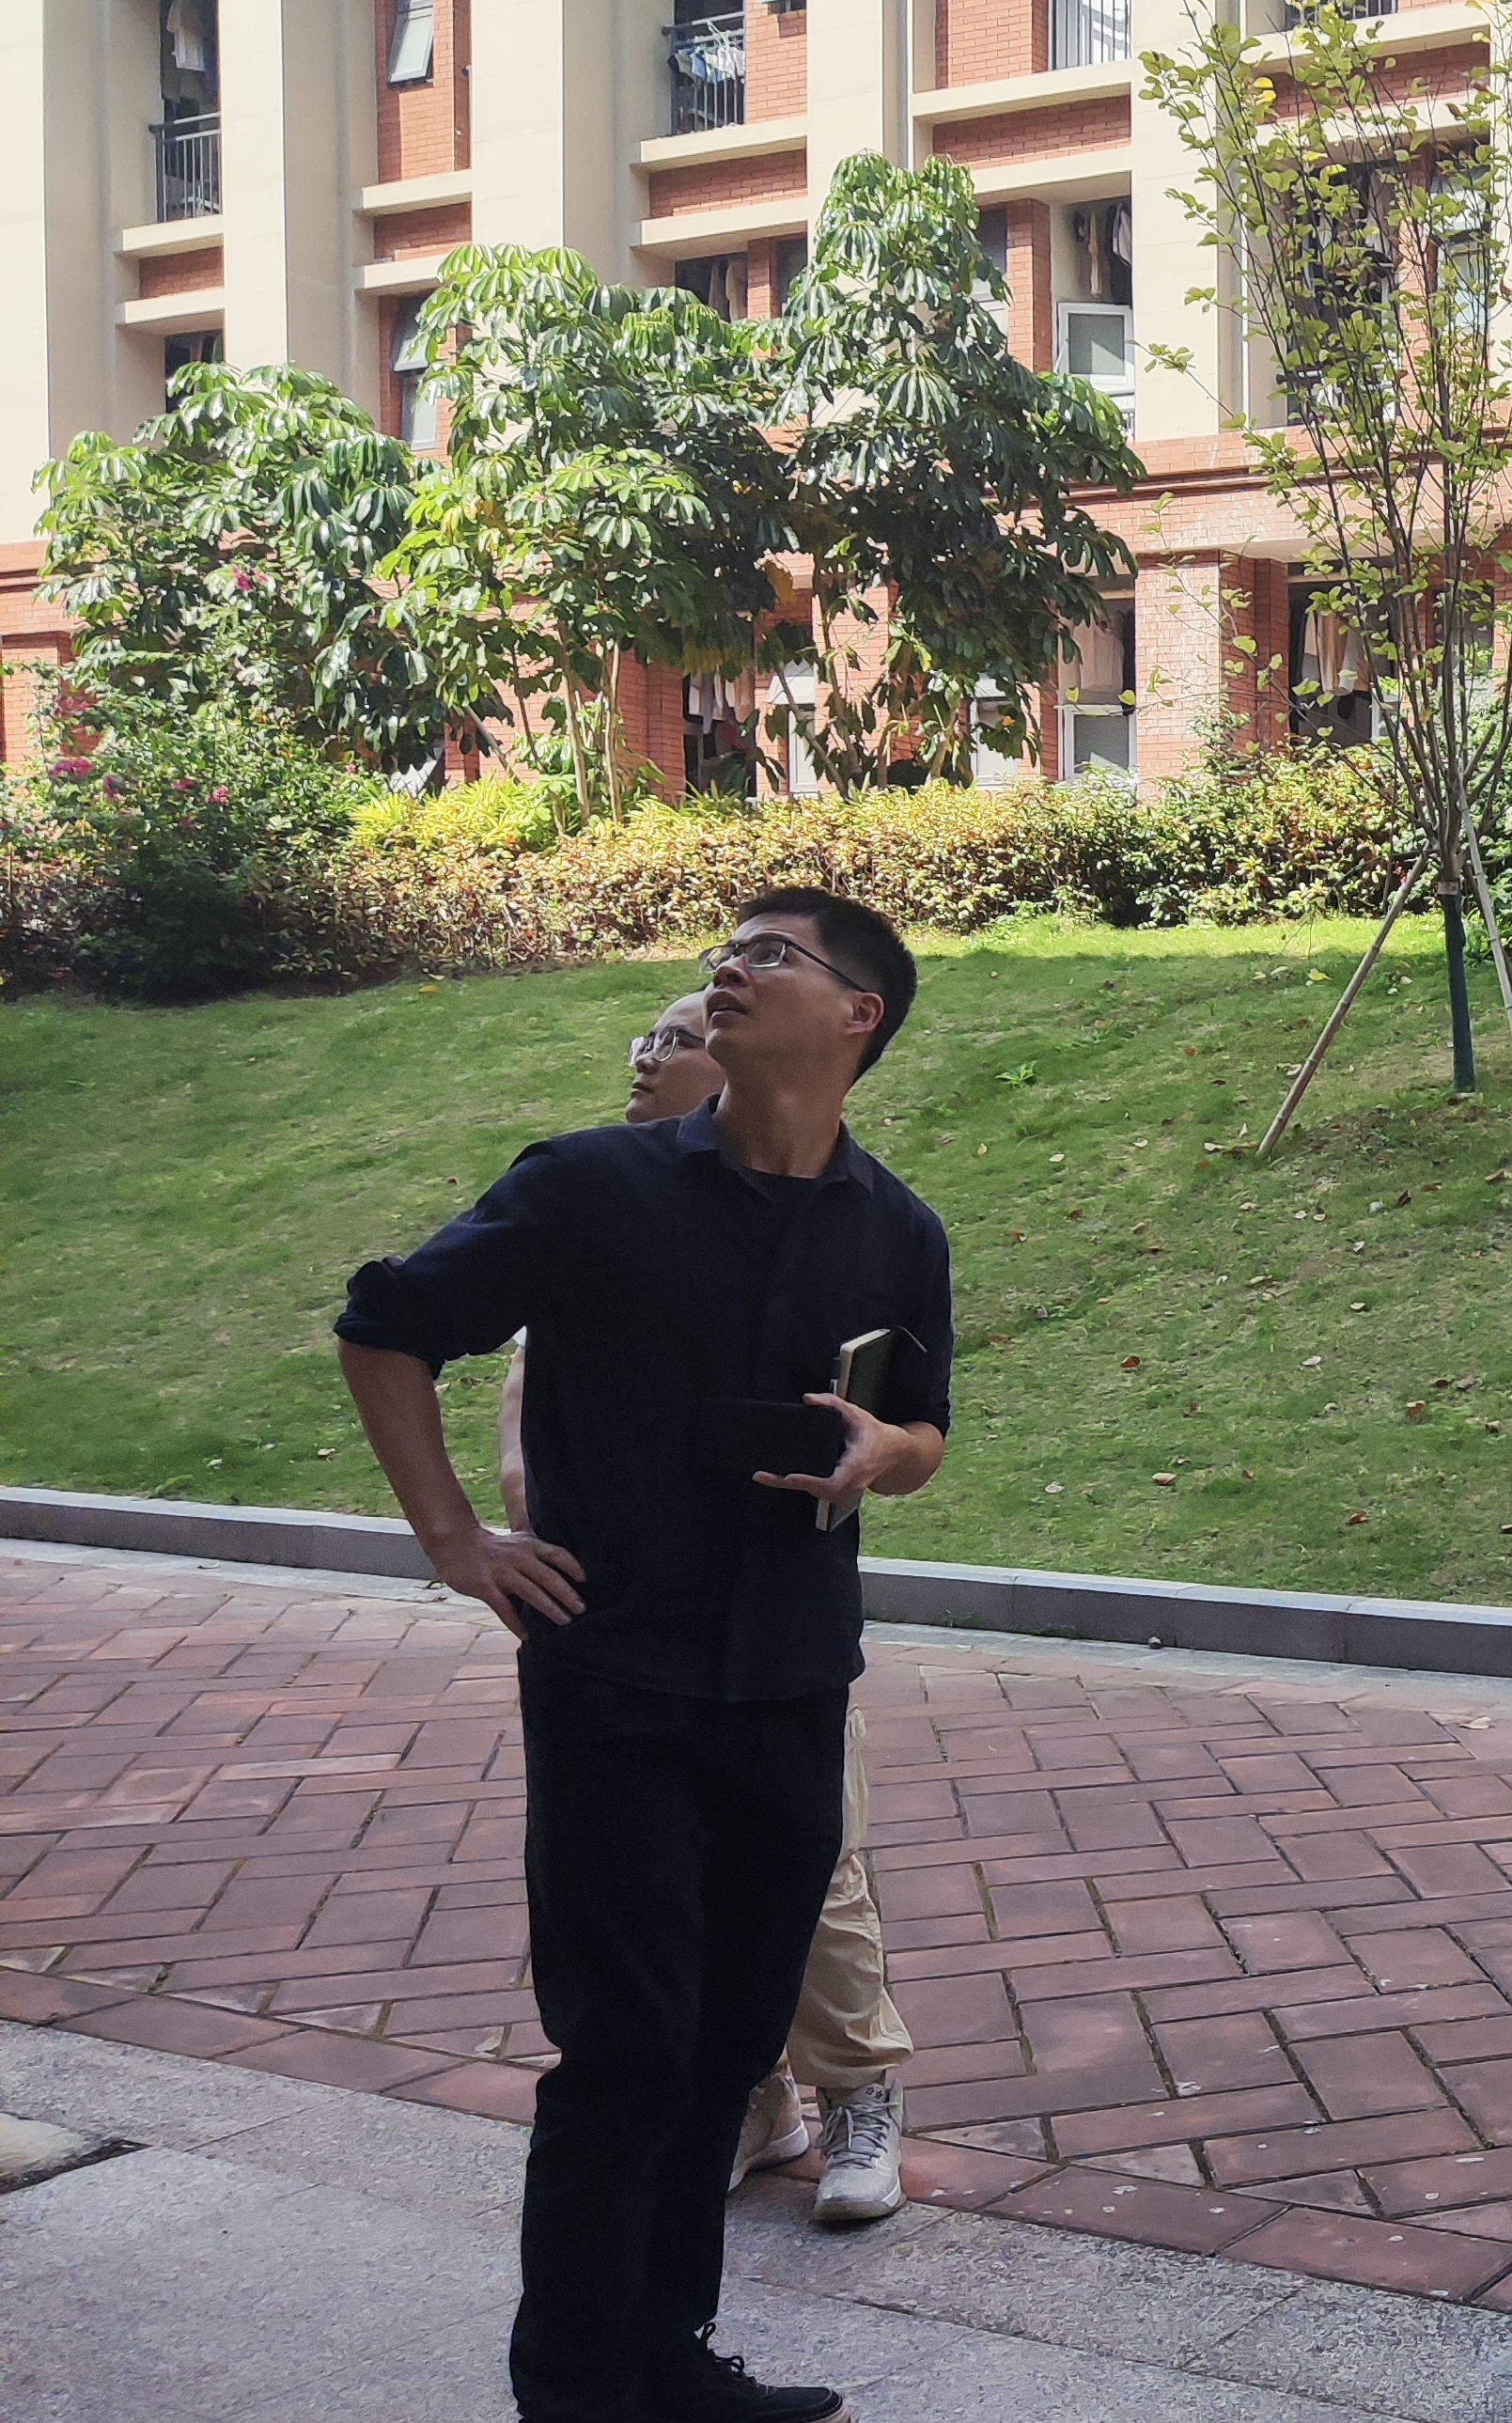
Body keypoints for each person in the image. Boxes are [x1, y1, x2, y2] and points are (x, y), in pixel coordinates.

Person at [337, 888, 954, 2423]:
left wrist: (886, 1450)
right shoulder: (587, 1186)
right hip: (616, 1680)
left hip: (793, 1679)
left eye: (770, 954)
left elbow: (926, 1428)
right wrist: (455, 1539)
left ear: (857, 1014)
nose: (727, 969)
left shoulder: (897, 1229)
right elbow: (385, 1325)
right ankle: (570, 2389)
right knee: (624, 2052)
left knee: (730, 2041)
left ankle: (665, 2358)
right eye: (724, 952)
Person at [497, 987, 917, 2230]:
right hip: (620, 1634)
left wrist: (881, 1448)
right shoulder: (590, 1194)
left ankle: (857, 2089)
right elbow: (507, 1387)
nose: (648, 1057)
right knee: (666, 1908)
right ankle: (755, 2098)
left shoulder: (842, 1220)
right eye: (647, 1038)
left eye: (675, 1040)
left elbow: (898, 1419)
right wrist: (496, 1537)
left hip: (772, 1634)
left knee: (812, 1871)